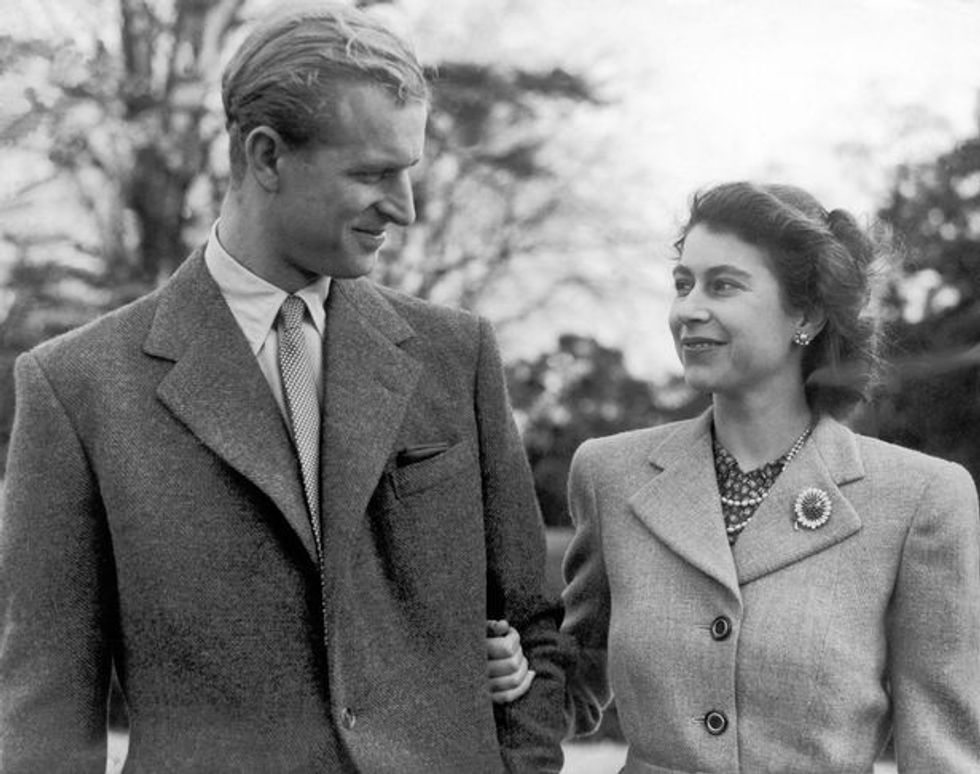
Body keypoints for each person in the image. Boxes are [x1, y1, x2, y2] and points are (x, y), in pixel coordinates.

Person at [0, 3, 566, 771]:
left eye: (409, 173)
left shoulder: (456, 353)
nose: (403, 208)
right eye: (372, 174)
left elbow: (533, 626)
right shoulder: (76, 388)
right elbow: (45, 716)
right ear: (266, 156)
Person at [497, 181, 980, 772]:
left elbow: (943, 751)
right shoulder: (609, 474)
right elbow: (574, 680)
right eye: (683, 284)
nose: (688, 309)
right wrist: (521, 673)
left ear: (806, 313)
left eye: (722, 285)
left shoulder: (921, 499)